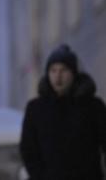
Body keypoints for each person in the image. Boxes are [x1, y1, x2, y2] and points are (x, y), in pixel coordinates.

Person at [20, 44, 106, 180]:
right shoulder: (36, 109)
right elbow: (28, 150)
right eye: (53, 70)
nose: (58, 76)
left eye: (64, 70)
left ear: (74, 73)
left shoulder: (93, 107)